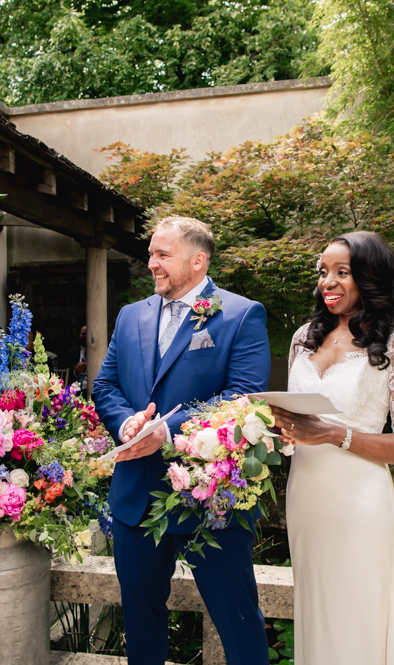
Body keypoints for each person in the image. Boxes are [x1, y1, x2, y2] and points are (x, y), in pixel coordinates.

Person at [93, 216, 271, 665]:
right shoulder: (130, 315)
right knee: (141, 625)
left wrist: (167, 432)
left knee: (238, 624)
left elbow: (242, 399)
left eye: (162, 255)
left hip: (211, 500)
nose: (151, 263)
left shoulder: (240, 314)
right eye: (150, 253)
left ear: (197, 261)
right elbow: (106, 385)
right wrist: (127, 424)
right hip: (136, 501)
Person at [270, 231, 394, 665]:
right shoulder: (303, 337)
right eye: (323, 272)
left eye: (342, 272)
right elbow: (299, 419)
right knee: (317, 610)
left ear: (369, 277)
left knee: (358, 611)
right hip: (306, 496)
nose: (328, 282)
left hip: (361, 500)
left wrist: (333, 434)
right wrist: (282, 430)